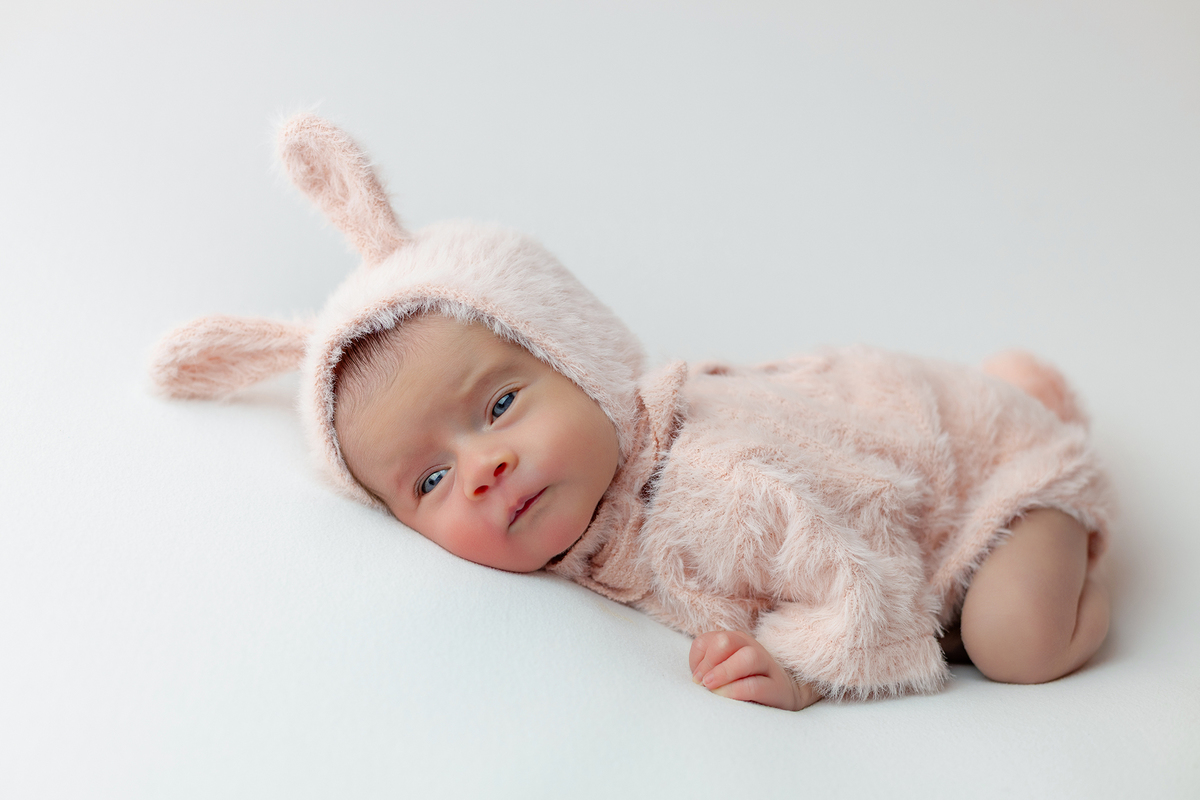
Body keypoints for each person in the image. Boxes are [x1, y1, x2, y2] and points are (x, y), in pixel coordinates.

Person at [150, 114, 1115, 710]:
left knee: (1011, 643)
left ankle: (1058, 456)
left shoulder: (712, 479)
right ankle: (1013, 385)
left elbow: (853, 559)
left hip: (975, 473)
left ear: (583, 360)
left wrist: (805, 669)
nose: (480, 467)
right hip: (891, 459)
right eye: (430, 479)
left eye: (497, 404)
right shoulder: (592, 525)